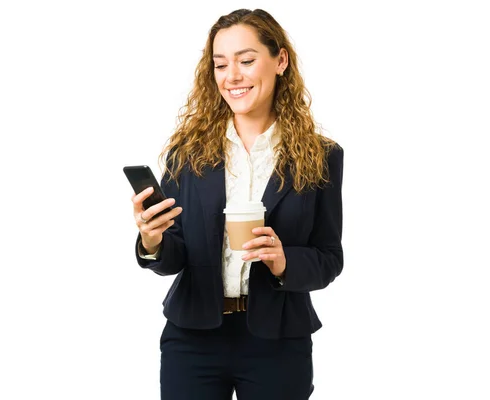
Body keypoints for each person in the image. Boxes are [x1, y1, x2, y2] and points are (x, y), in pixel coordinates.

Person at [130, 8, 344, 400]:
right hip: (193, 336)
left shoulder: (320, 155)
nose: (232, 76)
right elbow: (173, 256)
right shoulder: (188, 153)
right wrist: (152, 240)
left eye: (246, 60)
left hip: (279, 338)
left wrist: (283, 262)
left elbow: (330, 258)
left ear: (280, 61)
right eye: (220, 64)